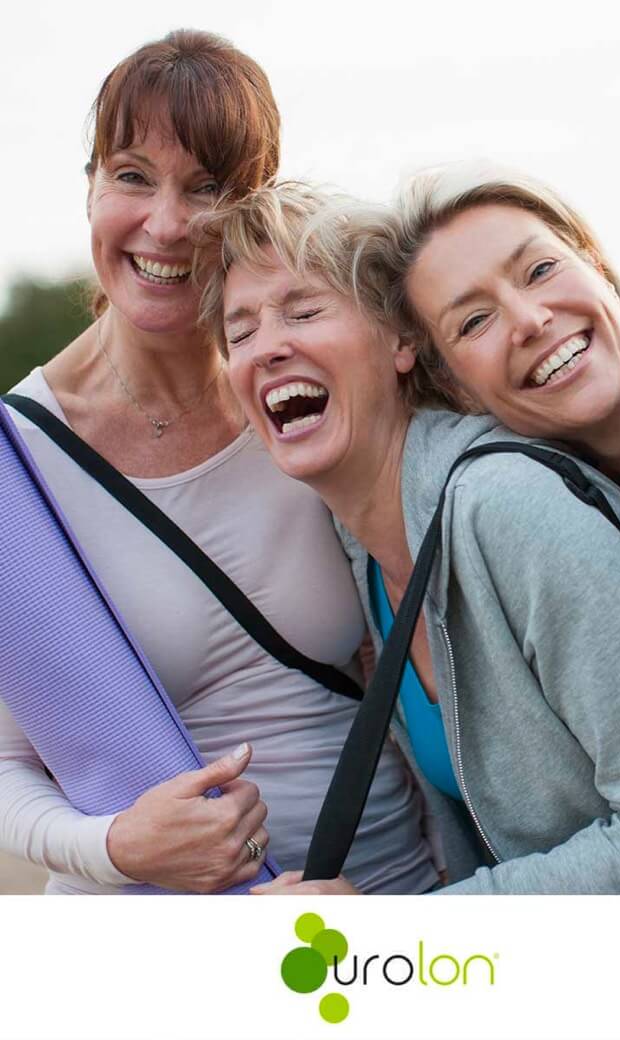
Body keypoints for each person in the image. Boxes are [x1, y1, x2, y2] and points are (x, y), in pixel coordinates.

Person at [194, 183, 620, 895]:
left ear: (403, 342)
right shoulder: (366, 562)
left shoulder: (510, 508)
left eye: (304, 311)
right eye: (241, 332)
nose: (268, 349)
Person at [0, 32, 438, 896]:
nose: (165, 223)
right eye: (131, 175)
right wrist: (116, 845)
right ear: (89, 186)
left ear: (253, 206)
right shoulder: (19, 462)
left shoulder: (308, 397)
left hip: (386, 906)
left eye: (207, 187)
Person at [369, 164, 620, 698]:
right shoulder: (592, 515)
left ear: (597, 266)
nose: (530, 319)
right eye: (474, 321)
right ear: (456, 388)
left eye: (539, 270)